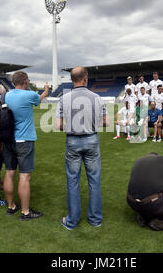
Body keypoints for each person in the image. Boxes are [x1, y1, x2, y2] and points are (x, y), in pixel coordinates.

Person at [55, 66, 109, 230]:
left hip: (72, 141)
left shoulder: (64, 98)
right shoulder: (97, 98)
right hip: (91, 139)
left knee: (72, 181)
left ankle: (72, 221)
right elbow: (106, 122)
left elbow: (58, 126)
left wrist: (73, 126)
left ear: (72, 80)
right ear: (85, 78)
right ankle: (95, 220)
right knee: (94, 180)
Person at [3, 71, 49, 220]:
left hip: (9, 139)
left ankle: (11, 207)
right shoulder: (29, 95)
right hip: (24, 140)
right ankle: (25, 212)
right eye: (28, 79)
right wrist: (46, 91)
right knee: (24, 176)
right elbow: (40, 99)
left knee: (9, 173)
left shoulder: (7, 95)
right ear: (25, 81)